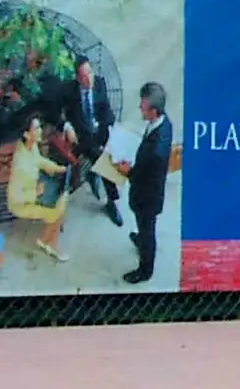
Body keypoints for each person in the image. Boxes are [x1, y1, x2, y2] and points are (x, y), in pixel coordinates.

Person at [115, 82, 172, 284]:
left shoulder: (155, 150)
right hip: (151, 190)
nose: (140, 108)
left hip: (147, 196)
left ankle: (145, 269)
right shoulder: (165, 124)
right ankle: (141, 240)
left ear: (154, 110)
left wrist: (127, 170)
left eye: (143, 106)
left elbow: (142, 173)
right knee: (144, 226)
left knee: (147, 229)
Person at [58, 55, 122, 226]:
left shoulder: (99, 83)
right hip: (81, 137)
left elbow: (106, 110)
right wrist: (66, 126)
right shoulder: (68, 90)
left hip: (99, 131)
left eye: (90, 73)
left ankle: (94, 173)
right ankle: (112, 201)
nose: (90, 79)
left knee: (113, 152)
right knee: (103, 160)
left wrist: (110, 129)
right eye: (85, 76)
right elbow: (55, 111)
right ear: (78, 79)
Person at [7, 114, 70, 262]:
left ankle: (46, 239)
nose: (41, 130)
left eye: (40, 127)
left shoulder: (30, 145)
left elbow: (39, 160)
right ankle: (50, 244)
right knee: (57, 210)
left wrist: (57, 168)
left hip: (35, 188)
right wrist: (34, 193)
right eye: (37, 128)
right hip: (22, 204)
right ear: (26, 134)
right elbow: (14, 196)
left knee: (63, 197)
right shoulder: (20, 164)